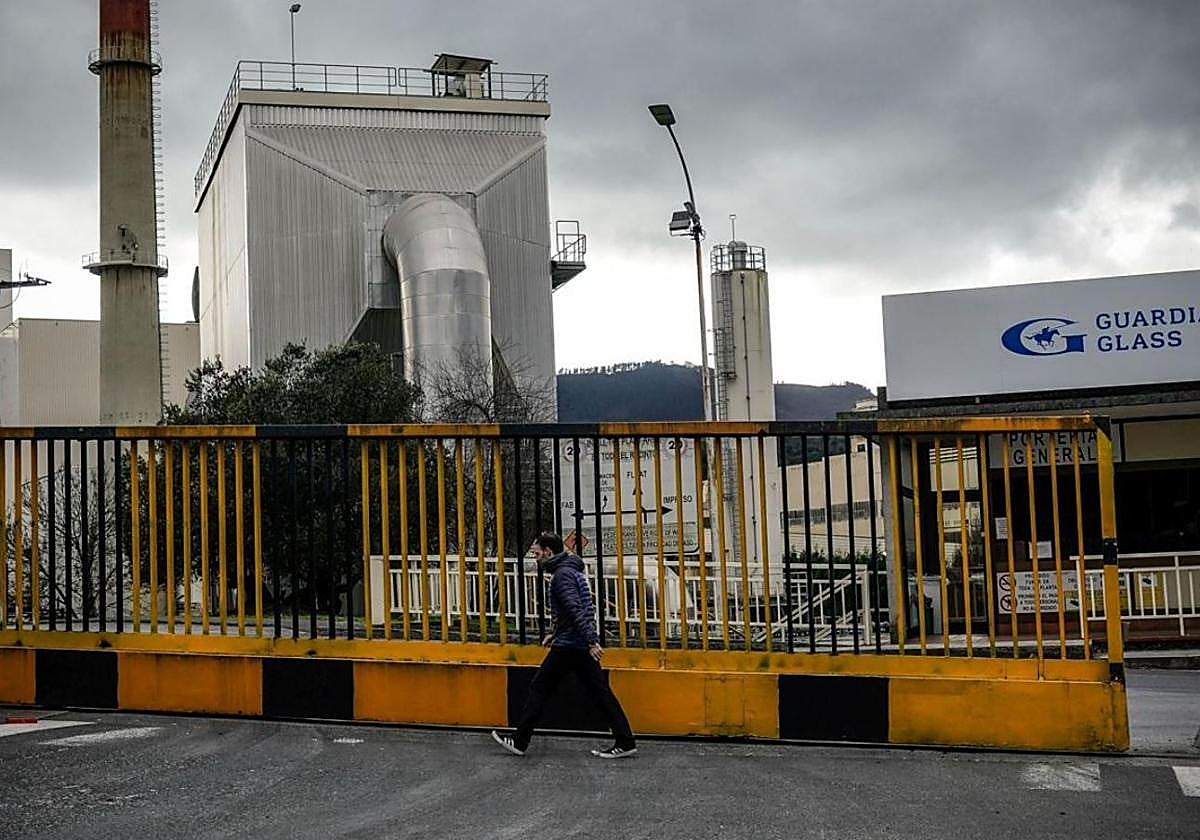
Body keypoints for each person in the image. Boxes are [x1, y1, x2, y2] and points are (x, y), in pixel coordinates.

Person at [491, 531, 637, 759]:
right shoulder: (570, 571)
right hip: (573, 642)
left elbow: (575, 609)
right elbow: (571, 611)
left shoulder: (562, 576)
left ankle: (520, 741)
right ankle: (625, 740)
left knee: (539, 688)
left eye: (537, 554)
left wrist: (590, 641)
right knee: (600, 693)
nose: (535, 558)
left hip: (571, 646)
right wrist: (554, 632)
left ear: (548, 552)